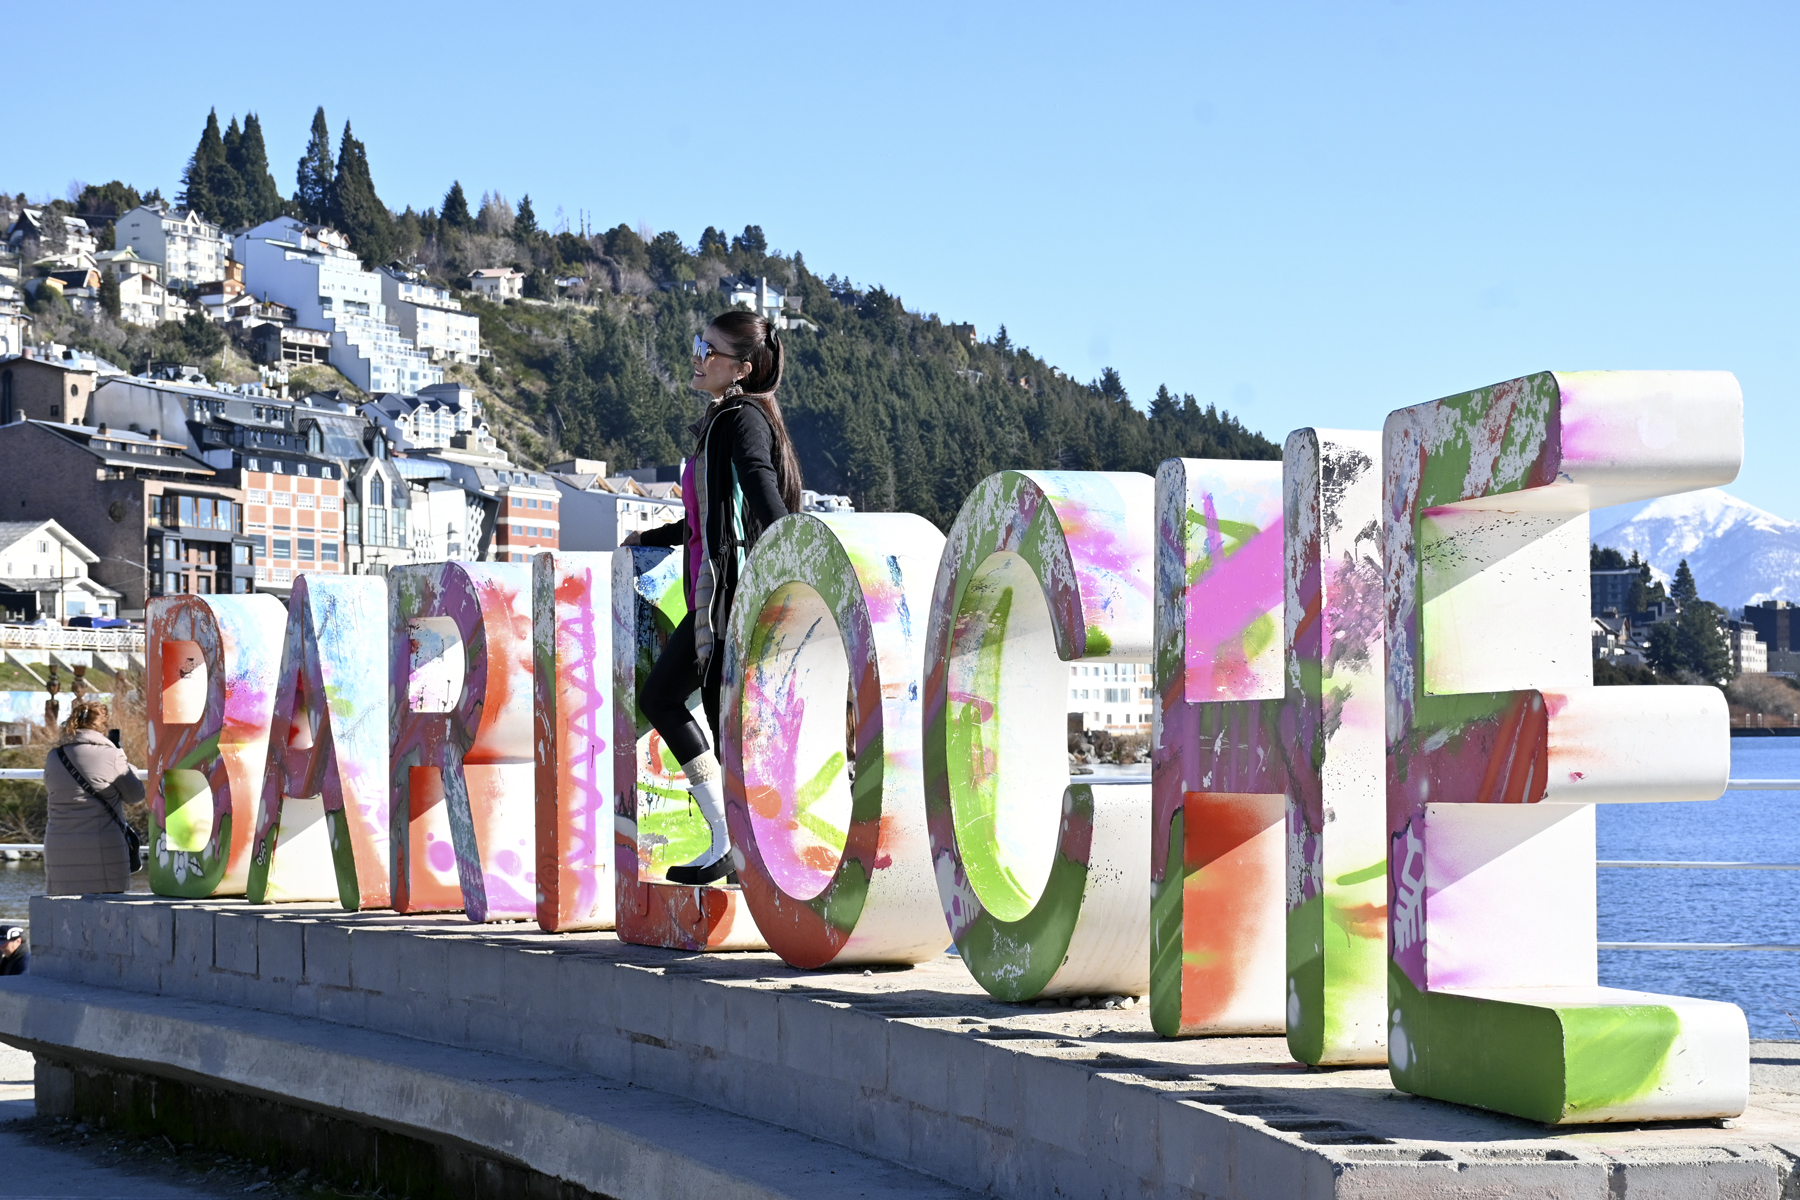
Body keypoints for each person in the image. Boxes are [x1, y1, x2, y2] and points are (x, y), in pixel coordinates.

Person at [633, 310, 803, 884]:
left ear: (741, 369)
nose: (697, 357)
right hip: (711, 592)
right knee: (677, 703)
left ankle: (746, 847)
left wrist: (793, 561)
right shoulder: (725, 417)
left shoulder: (741, 418)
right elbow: (703, 518)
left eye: (709, 349)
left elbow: (759, 488)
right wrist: (650, 537)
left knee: (712, 716)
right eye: (698, 344)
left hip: (726, 597)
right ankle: (733, 842)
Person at [42, 700, 142, 895]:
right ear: (102, 726)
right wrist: (130, 767)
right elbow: (135, 795)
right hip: (103, 847)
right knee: (108, 913)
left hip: (59, 847)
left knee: (65, 910)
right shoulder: (112, 756)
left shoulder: (54, 756)